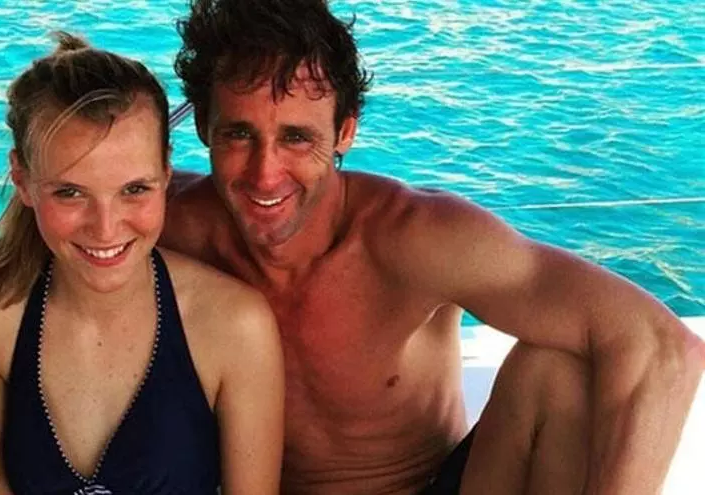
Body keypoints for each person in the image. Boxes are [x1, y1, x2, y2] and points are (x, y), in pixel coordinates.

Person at [160, 1, 705, 494]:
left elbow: (661, 344)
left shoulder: (413, 237)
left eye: (297, 137)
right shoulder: (167, 224)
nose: (265, 174)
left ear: (345, 132)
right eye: (239, 134)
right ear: (204, 126)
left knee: (559, 370)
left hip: (435, 485)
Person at [0, 32, 284, 495]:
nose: (105, 229)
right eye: (70, 192)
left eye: (134, 189)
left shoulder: (236, 325)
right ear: (23, 180)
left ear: (166, 174)